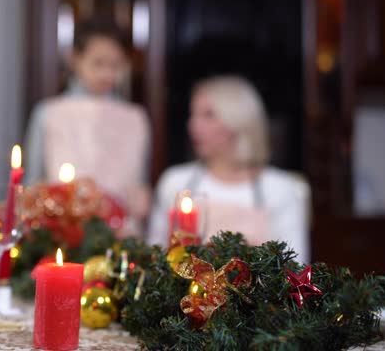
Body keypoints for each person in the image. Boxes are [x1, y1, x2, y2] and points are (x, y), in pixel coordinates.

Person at [147, 75, 310, 263]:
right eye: (193, 114)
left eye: (209, 115)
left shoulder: (278, 188)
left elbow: (296, 265)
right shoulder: (175, 181)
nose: (193, 125)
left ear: (239, 121)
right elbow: (155, 254)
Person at [24, 18, 151, 237]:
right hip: (63, 231)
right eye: (98, 63)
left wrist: (142, 200)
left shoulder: (135, 118)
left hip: (121, 234)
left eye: (116, 65)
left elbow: (140, 182)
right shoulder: (50, 112)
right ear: (74, 58)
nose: (107, 75)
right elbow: (33, 181)